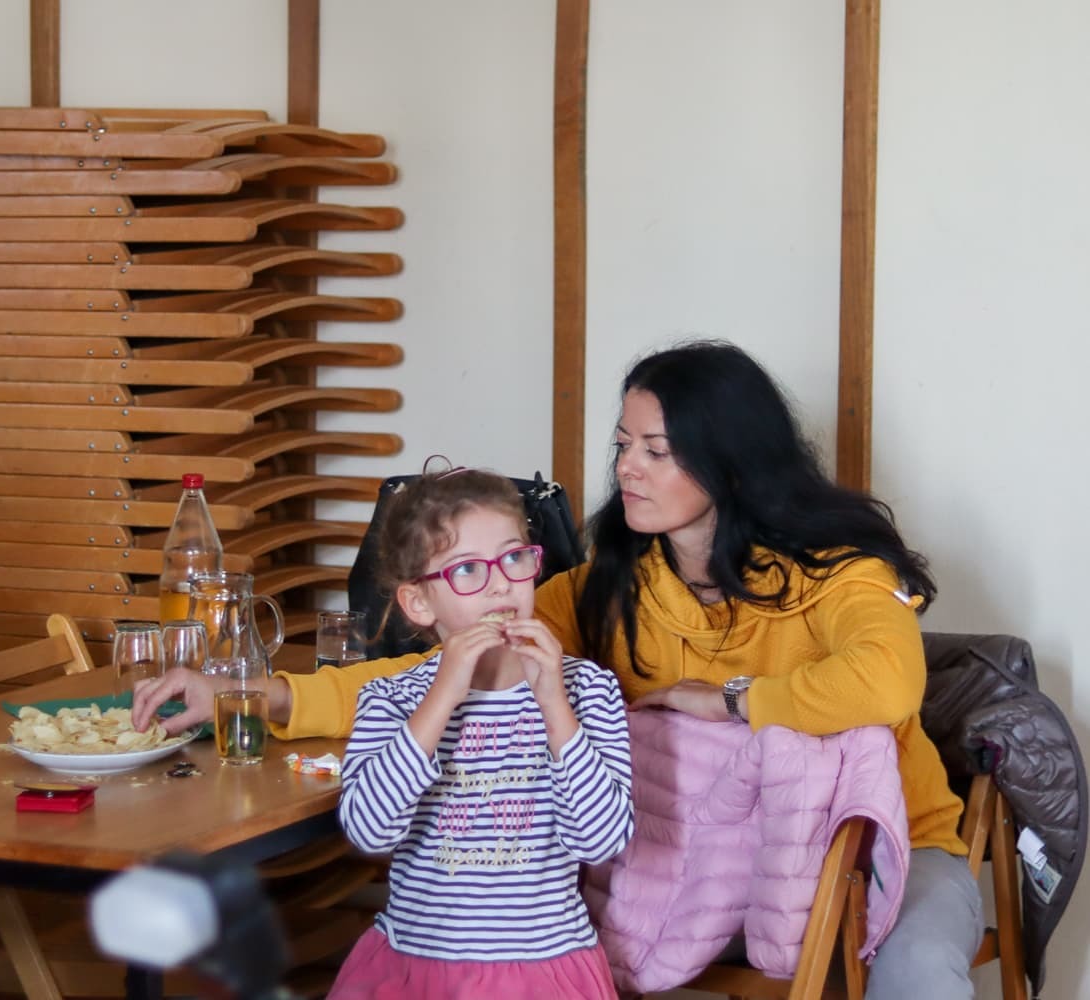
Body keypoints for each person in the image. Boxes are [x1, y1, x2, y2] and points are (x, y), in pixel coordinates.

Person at [134, 341, 982, 998]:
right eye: (623, 444)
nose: (625, 468)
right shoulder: (608, 589)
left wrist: (730, 700)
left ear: (728, 462)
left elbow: (885, 683)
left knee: (917, 969)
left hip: (882, 850)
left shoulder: (841, 573)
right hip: (696, 867)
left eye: (657, 450)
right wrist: (249, 694)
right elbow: (449, 673)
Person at [328, 468, 632, 999]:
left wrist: (554, 704)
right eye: (467, 568)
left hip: (545, 971)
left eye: (514, 558)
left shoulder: (588, 690)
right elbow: (370, 831)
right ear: (419, 602)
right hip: (418, 970)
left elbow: (601, 840)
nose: (500, 583)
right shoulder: (392, 699)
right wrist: (443, 695)